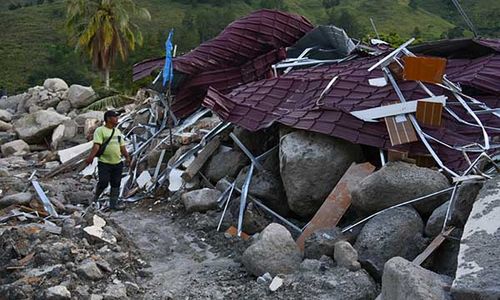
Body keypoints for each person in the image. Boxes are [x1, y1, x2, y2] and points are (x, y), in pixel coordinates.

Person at [85, 110, 131, 210]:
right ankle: (95, 199)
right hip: (104, 163)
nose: (117, 119)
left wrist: (127, 157)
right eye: (115, 117)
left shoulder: (117, 132)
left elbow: (122, 147)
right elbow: (96, 146)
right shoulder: (100, 131)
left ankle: (113, 205)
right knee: (103, 182)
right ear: (109, 119)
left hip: (117, 163)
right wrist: (90, 157)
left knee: (116, 184)